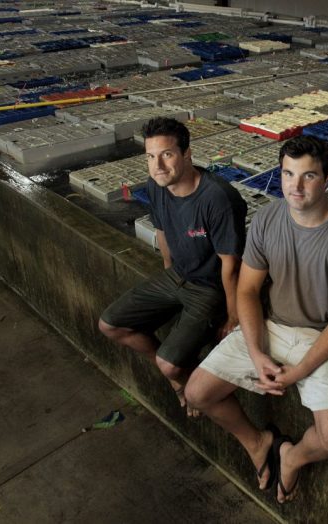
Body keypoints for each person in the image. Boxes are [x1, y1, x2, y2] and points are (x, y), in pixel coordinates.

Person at [185, 135, 328, 503]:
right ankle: (257, 442)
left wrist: (300, 370)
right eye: (288, 174)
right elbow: (247, 291)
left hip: (325, 336)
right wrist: (256, 353)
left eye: (308, 176)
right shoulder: (268, 219)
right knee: (197, 392)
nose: (295, 186)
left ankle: (292, 456)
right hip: (273, 326)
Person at [99, 117, 247, 416]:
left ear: (187, 154)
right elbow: (162, 231)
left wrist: (232, 316)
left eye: (167, 154)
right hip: (177, 276)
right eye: (151, 157)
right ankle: (181, 374)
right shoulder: (156, 185)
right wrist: (167, 272)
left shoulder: (217, 198)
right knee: (109, 324)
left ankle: (178, 375)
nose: (158, 166)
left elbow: (230, 265)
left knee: (168, 363)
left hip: (210, 287)